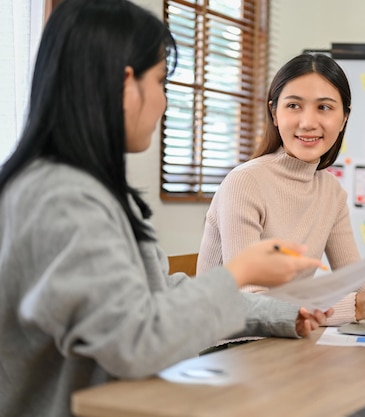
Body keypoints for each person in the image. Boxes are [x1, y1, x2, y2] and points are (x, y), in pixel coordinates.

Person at [0, 1, 331, 416]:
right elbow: (135, 341)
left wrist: (282, 315)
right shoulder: (59, 198)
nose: (164, 103)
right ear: (125, 84)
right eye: (161, 82)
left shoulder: (94, 190)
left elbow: (159, 295)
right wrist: (239, 273)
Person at [197, 53, 365, 325]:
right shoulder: (245, 182)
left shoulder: (331, 192)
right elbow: (248, 300)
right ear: (274, 114)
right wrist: (357, 307)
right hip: (228, 346)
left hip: (286, 341)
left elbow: (354, 282)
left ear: (344, 118)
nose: (308, 122)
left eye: (324, 107)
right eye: (293, 106)